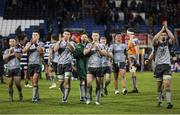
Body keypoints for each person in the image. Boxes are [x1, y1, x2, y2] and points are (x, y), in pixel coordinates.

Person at [150, 21, 175, 109]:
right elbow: (154, 39)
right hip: (158, 67)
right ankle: (159, 102)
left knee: (167, 85)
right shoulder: (156, 44)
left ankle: (168, 103)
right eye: (162, 35)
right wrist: (161, 30)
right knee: (159, 87)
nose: (164, 36)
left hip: (167, 66)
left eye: (165, 35)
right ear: (160, 36)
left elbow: (173, 37)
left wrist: (166, 28)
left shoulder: (168, 44)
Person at [84, 31, 107, 105]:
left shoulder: (101, 45)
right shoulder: (88, 45)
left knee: (98, 84)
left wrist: (98, 49)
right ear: (92, 36)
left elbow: (105, 54)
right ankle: (89, 98)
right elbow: (84, 53)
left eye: (96, 36)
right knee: (89, 83)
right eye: (94, 35)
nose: (95, 37)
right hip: (90, 67)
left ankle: (97, 100)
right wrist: (91, 47)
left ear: (99, 36)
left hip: (99, 67)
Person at [54, 30, 75, 103]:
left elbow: (72, 50)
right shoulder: (59, 42)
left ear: (69, 35)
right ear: (63, 34)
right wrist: (59, 42)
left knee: (67, 82)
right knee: (60, 84)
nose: (66, 35)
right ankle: (64, 94)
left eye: (68, 34)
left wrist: (67, 43)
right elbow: (55, 50)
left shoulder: (71, 43)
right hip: (59, 64)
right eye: (65, 34)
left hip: (68, 64)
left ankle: (65, 98)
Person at [23, 31, 44, 103]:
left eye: (36, 35)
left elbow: (41, 51)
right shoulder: (28, 43)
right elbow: (24, 51)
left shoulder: (41, 43)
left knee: (35, 80)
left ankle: (34, 98)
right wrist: (31, 44)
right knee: (34, 82)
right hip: (30, 65)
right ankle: (37, 96)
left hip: (37, 64)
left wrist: (35, 44)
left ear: (38, 37)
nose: (34, 36)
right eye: (33, 35)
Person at [3, 37, 23, 101]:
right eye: (11, 41)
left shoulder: (18, 49)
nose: (12, 42)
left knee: (18, 84)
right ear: (9, 43)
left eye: (13, 41)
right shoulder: (6, 50)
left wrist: (14, 51)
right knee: (10, 84)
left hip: (16, 68)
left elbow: (20, 57)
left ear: (15, 42)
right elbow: (4, 59)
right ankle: (10, 97)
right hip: (9, 68)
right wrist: (10, 53)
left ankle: (20, 92)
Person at [73, 32, 89, 101]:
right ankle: (82, 96)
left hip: (88, 64)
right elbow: (75, 55)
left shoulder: (89, 45)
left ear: (87, 38)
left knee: (87, 80)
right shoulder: (78, 45)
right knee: (82, 79)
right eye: (83, 37)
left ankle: (86, 95)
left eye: (85, 37)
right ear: (80, 38)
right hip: (80, 64)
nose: (84, 38)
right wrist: (83, 52)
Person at [127, 28, 140, 93]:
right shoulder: (131, 39)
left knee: (133, 72)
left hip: (133, 57)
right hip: (130, 57)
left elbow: (137, 50)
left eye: (127, 32)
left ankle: (135, 88)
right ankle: (135, 88)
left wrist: (137, 59)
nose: (126, 33)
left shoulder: (134, 40)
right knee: (132, 72)